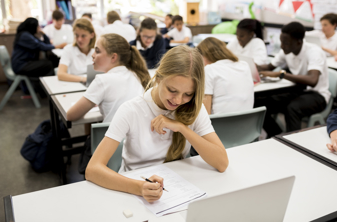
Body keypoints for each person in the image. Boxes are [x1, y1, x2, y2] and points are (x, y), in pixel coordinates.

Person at [85, 46, 229, 203]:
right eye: (172, 90)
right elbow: (93, 170)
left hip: (177, 188)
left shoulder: (194, 108)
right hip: (133, 186)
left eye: (188, 94)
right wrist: (139, 187)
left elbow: (221, 163)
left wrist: (182, 128)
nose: (178, 100)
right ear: (158, 78)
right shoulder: (131, 110)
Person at [255, 22, 330, 138]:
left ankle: (292, 142)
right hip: (297, 90)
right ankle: (276, 134)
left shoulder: (314, 52)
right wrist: (249, 65)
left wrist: (282, 75)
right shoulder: (287, 50)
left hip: (317, 95)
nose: (282, 46)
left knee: (292, 108)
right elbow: (269, 67)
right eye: (281, 41)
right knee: (260, 103)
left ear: (298, 42)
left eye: (285, 43)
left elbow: (312, 80)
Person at [67, 33, 150, 123]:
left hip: (113, 136)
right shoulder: (136, 74)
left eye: (97, 51)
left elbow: (71, 115)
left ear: (113, 57)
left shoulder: (102, 80)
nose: (93, 55)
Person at [197, 37, 254, 114]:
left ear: (205, 55)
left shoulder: (209, 70)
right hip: (248, 124)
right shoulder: (244, 65)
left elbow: (205, 114)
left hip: (219, 125)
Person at [57, 18, 96, 83]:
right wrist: (84, 79)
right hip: (75, 85)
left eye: (83, 36)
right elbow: (60, 74)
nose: (79, 39)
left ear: (92, 35)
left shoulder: (97, 50)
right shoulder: (68, 49)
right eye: (77, 35)